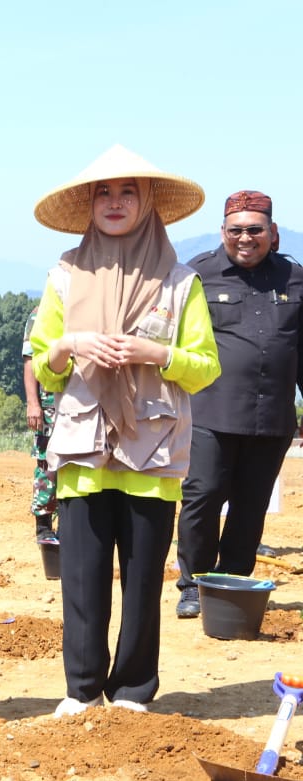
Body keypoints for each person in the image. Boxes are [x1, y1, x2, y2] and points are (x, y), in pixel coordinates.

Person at [29, 145, 220, 717]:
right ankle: (82, 689)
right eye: (104, 193)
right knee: (81, 581)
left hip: (152, 453)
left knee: (142, 583)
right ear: (90, 205)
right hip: (83, 450)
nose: (115, 203)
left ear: (148, 202)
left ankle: (134, 689)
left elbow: (205, 367)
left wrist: (154, 353)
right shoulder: (65, 275)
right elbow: (44, 364)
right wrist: (71, 344)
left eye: (128, 192)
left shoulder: (180, 282)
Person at [173, 191, 303, 618]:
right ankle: (193, 585)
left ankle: (230, 583)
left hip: (272, 418)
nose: (245, 238)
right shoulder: (197, 276)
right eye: (236, 230)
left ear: (273, 232)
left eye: (254, 230)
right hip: (209, 413)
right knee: (203, 495)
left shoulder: (295, 279)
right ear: (222, 232)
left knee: (251, 505)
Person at [22, 307, 59, 546]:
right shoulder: (41, 313)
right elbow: (30, 360)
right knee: (46, 464)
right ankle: (44, 526)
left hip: (79, 403)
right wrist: (33, 403)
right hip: (49, 404)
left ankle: (68, 524)